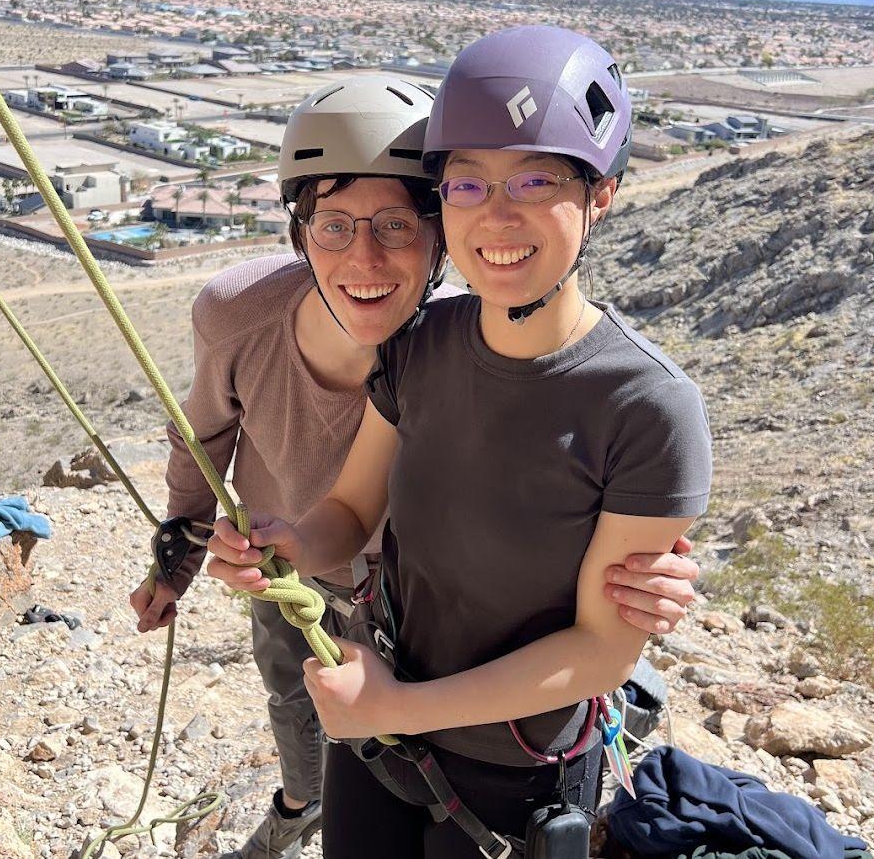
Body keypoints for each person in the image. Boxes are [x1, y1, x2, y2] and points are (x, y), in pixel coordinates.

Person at [135, 71, 704, 859]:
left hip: (492, 735)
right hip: (363, 645)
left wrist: (394, 705)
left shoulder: (593, 385)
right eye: (333, 225)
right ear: (300, 234)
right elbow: (268, 472)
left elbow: (591, 622)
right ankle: (298, 804)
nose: (363, 258)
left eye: (398, 225)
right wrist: (215, 551)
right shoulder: (401, 344)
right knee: (294, 701)